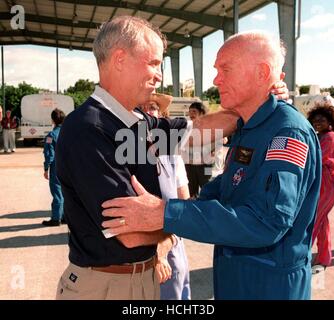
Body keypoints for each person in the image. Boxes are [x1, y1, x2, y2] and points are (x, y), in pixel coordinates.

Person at [100, 31, 322, 300]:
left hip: (269, 285)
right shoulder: (250, 128)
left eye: (225, 69)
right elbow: (230, 185)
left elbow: (266, 223)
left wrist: (166, 213)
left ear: (262, 72)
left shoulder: (286, 133)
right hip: (237, 276)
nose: (216, 80)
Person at [54, 16, 242, 300]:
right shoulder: (88, 129)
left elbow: (199, 131)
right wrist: (173, 223)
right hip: (104, 286)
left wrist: (251, 106)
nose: (160, 75)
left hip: (142, 278)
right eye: (154, 63)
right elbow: (130, 234)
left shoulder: (138, 120)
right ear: (119, 59)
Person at [140, 100, 191, 300]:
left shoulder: (172, 155)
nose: (147, 112)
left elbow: (184, 205)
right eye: (140, 108)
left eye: (152, 107)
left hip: (171, 245)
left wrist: (164, 247)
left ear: (161, 114)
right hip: (139, 251)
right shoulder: (124, 155)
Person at [307, 97, 334, 274]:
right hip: (322, 183)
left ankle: (300, 257)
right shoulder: (320, 136)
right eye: (315, 120)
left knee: (313, 219)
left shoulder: (331, 137)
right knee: (322, 221)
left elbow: (315, 160)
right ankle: (324, 257)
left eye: (322, 119)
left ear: (330, 121)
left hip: (328, 185)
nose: (318, 122)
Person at [181, 102, 214, 198]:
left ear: (202, 113)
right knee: (191, 191)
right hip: (189, 165)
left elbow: (222, 139)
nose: (191, 114)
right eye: (190, 111)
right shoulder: (187, 127)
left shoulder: (210, 127)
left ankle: (208, 208)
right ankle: (192, 210)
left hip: (206, 166)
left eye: (194, 111)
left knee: (208, 188)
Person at [42, 108, 66, 227]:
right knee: (66, 191)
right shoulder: (69, 132)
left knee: (57, 193)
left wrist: (46, 168)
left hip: (57, 167)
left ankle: (56, 218)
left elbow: (49, 155)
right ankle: (64, 216)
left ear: (53, 120)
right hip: (69, 167)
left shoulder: (51, 135)